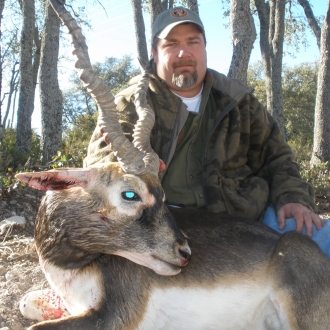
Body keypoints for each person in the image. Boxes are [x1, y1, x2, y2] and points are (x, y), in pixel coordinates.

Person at [85, 7, 330, 257]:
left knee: (323, 239)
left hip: (248, 221)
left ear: (204, 48)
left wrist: (292, 197)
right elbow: (99, 175)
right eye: (171, 44)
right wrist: (135, 173)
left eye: (193, 42)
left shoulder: (238, 102)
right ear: (155, 53)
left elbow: (278, 158)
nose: (184, 52)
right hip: (165, 227)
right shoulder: (128, 106)